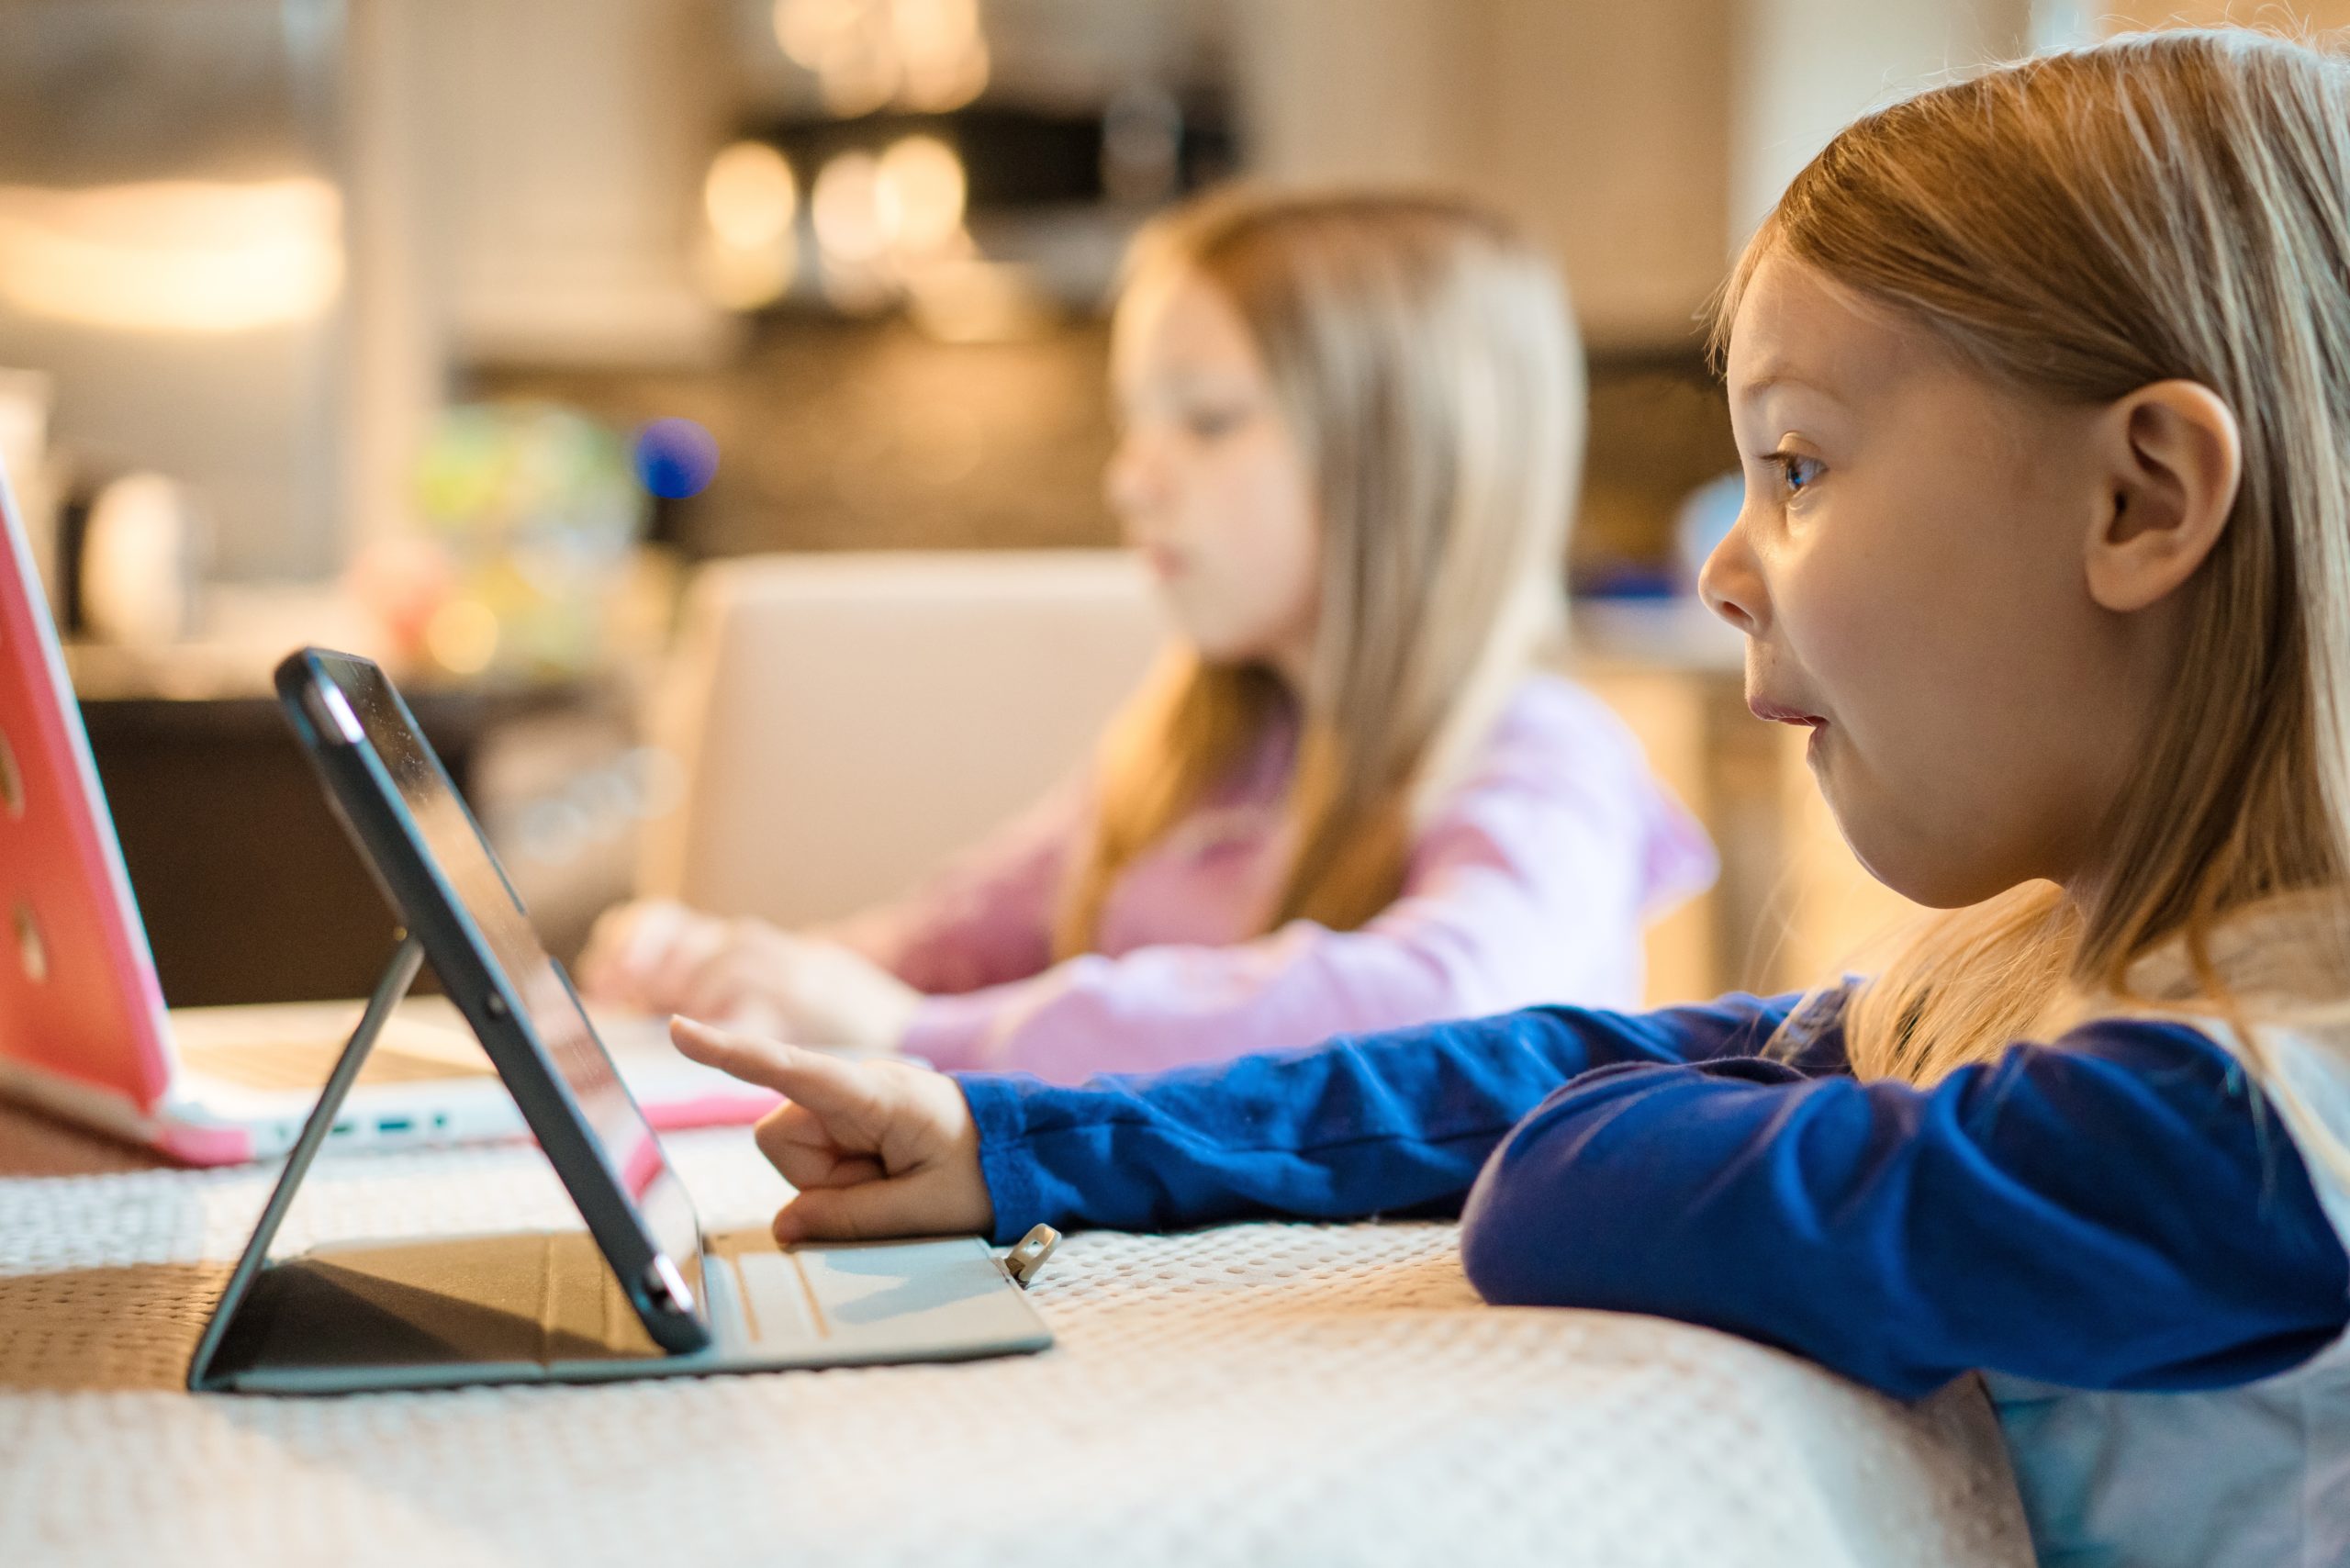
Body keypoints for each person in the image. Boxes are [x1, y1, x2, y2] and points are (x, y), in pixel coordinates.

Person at [664, 30, 2350, 1566]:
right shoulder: (2071, 988)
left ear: (2141, 499)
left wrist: (1620, 1108)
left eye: (1804, 467)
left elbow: (1577, 1163)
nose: (1725, 564)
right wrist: (1026, 1142)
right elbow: (1556, 1065)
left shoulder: (2264, 1123)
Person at [583, 189, 1714, 1081]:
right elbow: (957, 934)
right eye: (1134, 424)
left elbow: (1446, 1004)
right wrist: (747, 974)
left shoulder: (1545, 754)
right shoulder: (1203, 742)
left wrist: (930, 1034)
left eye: (1208, 420)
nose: (1131, 481)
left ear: (1403, 462)